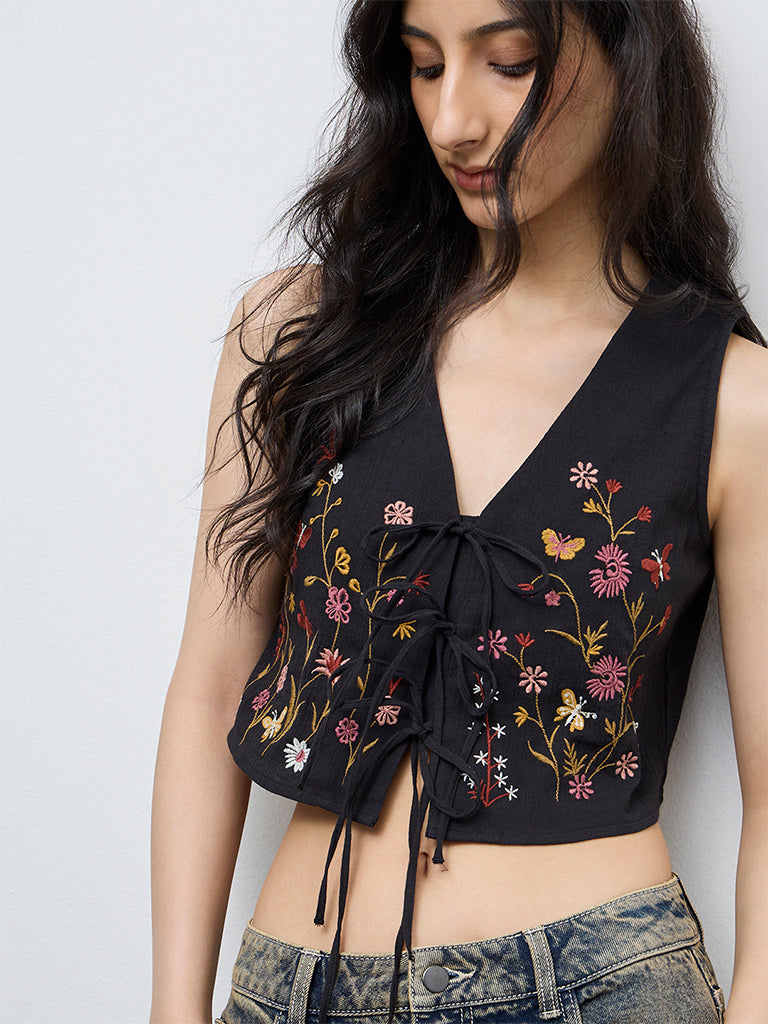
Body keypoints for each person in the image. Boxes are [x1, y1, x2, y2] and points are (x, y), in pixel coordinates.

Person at [149, 2, 767, 1023]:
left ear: (628, 53)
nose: (453, 122)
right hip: (290, 991)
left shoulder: (731, 398)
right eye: (425, 66)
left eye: (510, 63)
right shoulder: (299, 333)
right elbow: (210, 686)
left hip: (592, 988)